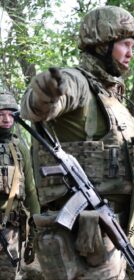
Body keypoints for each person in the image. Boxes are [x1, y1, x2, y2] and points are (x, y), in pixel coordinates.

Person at [20, 6, 134, 280]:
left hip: (121, 232)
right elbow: (38, 106)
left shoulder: (120, 103)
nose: (131, 53)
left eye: (132, 46)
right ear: (101, 45)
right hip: (84, 239)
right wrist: (45, 92)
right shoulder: (78, 83)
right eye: (124, 45)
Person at [0, 90, 40, 279]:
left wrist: (36, 225)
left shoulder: (20, 148)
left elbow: (30, 189)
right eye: (1, 114)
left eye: (11, 114)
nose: (6, 119)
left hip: (11, 231)